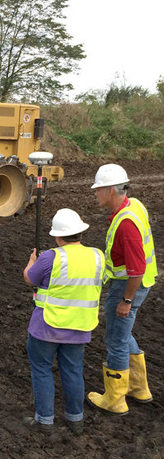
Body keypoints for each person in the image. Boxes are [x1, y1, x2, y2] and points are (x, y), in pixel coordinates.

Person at [23, 209, 105, 434]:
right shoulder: (98, 256)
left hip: (47, 327)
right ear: (80, 232)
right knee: (73, 370)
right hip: (80, 327)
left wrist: (32, 262)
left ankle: (45, 420)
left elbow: (31, 279)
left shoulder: (51, 256)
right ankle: (75, 419)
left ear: (58, 237)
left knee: (41, 370)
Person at [87, 163, 157, 415]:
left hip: (128, 286)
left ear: (109, 191)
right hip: (139, 284)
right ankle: (139, 388)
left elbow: (136, 269)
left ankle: (115, 399)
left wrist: (126, 300)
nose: (95, 193)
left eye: (98, 189)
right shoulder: (134, 205)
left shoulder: (125, 224)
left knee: (115, 340)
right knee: (123, 334)